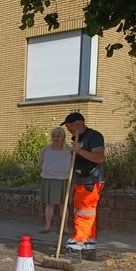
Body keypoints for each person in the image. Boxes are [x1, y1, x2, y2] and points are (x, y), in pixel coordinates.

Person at [61, 112, 106, 262]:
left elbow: (99, 158)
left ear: (78, 123)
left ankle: (76, 244)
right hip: (83, 180)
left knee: (83, 213)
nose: (69, 131)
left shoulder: (94, 136)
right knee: (88, 214)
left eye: (70, 127)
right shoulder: (78, 138)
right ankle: (88, 245)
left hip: (90, 181)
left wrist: (79, 150)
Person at [38, 127, 72, 233]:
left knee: (63, 204)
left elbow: (73, 165)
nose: (56, 138)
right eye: (53, 136)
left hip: (64, 180)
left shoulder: (69, 150)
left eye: (58, 136)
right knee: (49, 204)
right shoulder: (46, 149)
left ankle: (64, 228)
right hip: (49, 179)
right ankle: (47, 226)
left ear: (63, 137)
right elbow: (40, 162)